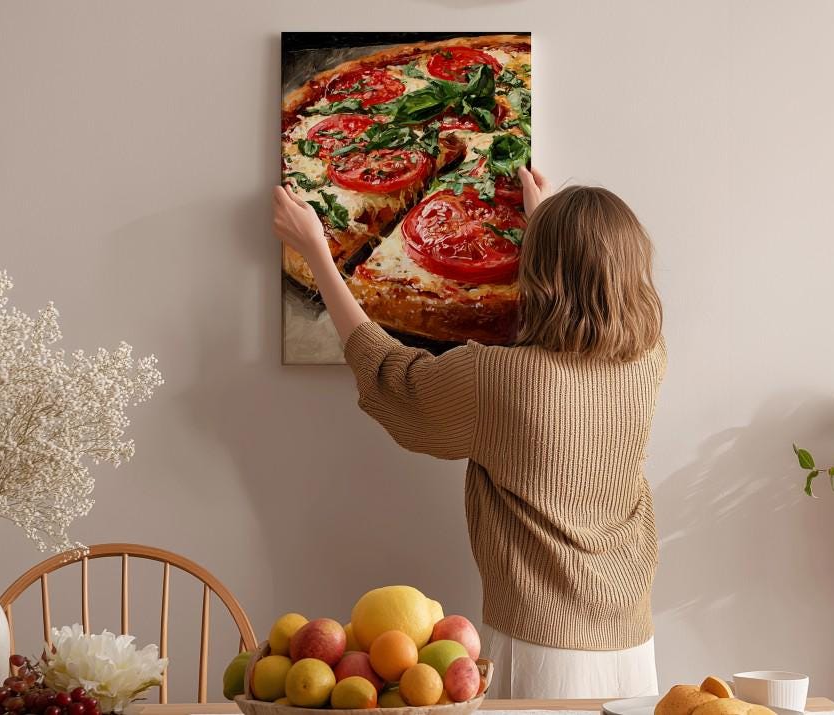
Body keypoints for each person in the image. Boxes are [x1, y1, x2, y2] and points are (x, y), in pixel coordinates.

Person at [272, 167, 666, 699]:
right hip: (633, 640)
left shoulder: (499, 379)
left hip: (540, 644)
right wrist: (548, 224)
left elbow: (391, 374)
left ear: (539, 269)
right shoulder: (648, 360)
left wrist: (318, 253)